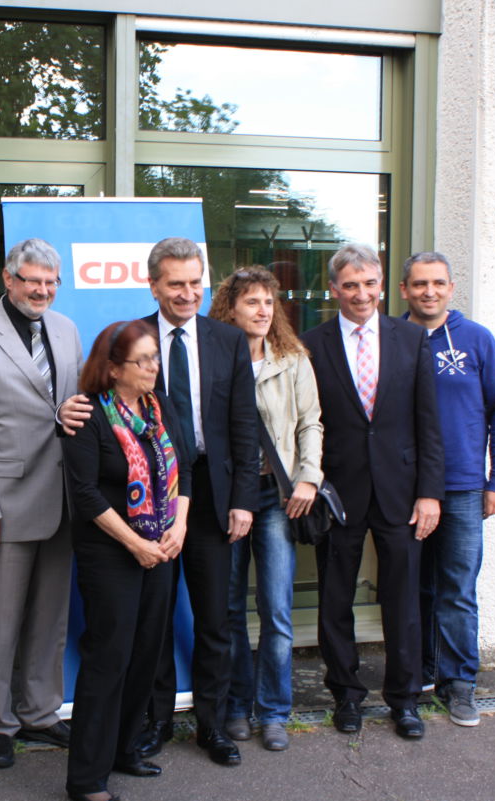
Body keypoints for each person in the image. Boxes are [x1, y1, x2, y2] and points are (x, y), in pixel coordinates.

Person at [0, 238, 84, 769]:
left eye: (51, 283)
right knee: (3, 621)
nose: (43, 291)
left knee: (51, 618)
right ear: (9, 279)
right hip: (4, 502)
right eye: (33, 281)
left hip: (64, 498)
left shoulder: (68, 329)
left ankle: (41, 711)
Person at [301, 243, 444, 740]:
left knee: (403, 601)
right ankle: (346, 695)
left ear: (382, 285)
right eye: (350, 285)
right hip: (339, 492)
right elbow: (307, 422)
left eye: (369, 284)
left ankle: (404, 700)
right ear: (333, 289)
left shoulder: (411, 339)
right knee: (335, 599)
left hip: (402, 493)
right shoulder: (311, 344)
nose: (361, 294)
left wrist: (430, 493)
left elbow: (429, 423)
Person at [137, 237, 261, 767]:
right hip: (155, 496)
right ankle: (157, 721)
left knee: (215, 618)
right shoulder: (131, 338)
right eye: (176, 284)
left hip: (214, 493)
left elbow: (243, 423)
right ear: (154, 285)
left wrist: (243, 500)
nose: (188, 293)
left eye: (195, 282)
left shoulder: (228, 340)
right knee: (157, 615)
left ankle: (211, 725)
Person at [63, 320, 192, 801]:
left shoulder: (161, 409)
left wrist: (177, 528)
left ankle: (124, 750)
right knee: (109, 658)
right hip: (110, 554)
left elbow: (185, 473)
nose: (155, 367)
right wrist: (135, 543)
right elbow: (85, 493)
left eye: (156, 358)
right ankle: (86, 779)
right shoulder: (88, 415)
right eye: (145, 361)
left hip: (162, 548)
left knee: (145, 655)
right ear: (114, 369)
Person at [209, 267, 324, 752]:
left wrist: (309, 478)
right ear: (230, 308)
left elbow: (310, 424)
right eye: (252, 302)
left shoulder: (292, 359)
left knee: (275, 607)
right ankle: (237, 705)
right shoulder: (214, 357)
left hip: (278, 495)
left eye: (268, 303)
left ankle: (275, 710)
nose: (262, 311)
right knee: (229, 607)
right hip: (230, 495)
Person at [399, 251, 495, 727]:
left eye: (438, 283)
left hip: (464, 488)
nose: (429, 291)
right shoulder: (391, 339)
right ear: (404, 290)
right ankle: (421, 671)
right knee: (412, 588)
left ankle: (460, 683)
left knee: (457, 589)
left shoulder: (476, 340)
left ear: (451, 288)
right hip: (404, 489)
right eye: (420, 284)